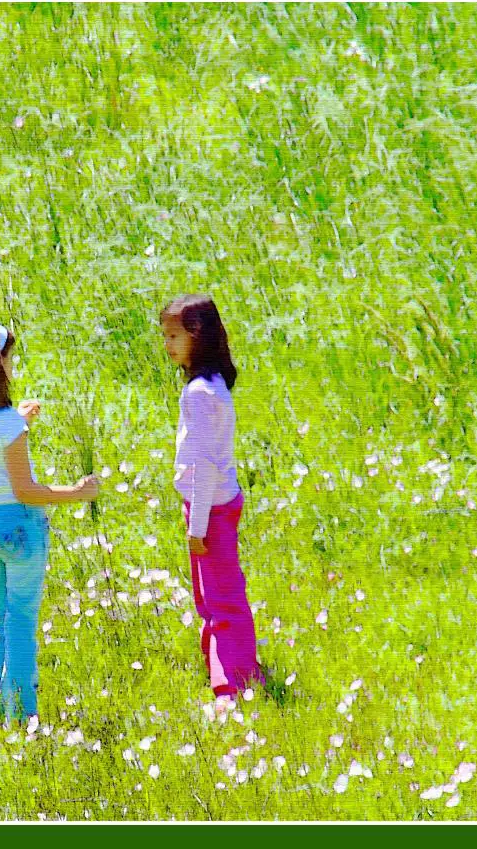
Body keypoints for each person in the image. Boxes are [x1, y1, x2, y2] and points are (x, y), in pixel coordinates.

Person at [0, 319, 99, 730]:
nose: (12, 366)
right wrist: (76, 492)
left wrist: (20, 419)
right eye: (8, 358)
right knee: (22, 626)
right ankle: (24, 717)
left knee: (4, 620)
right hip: (19, 528)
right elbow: (26, 490)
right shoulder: (8, 427)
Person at [160, 294, 263, 698]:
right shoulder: (212, 385)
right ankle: (230, 671)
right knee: (214, 597)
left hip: (210, 508)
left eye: (173, 336)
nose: (167, 345)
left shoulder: (199, 394)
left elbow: (204, 465)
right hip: (216, 502)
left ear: (197, 336)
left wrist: (197, 524)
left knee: (222, 601)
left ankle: (231, 689)